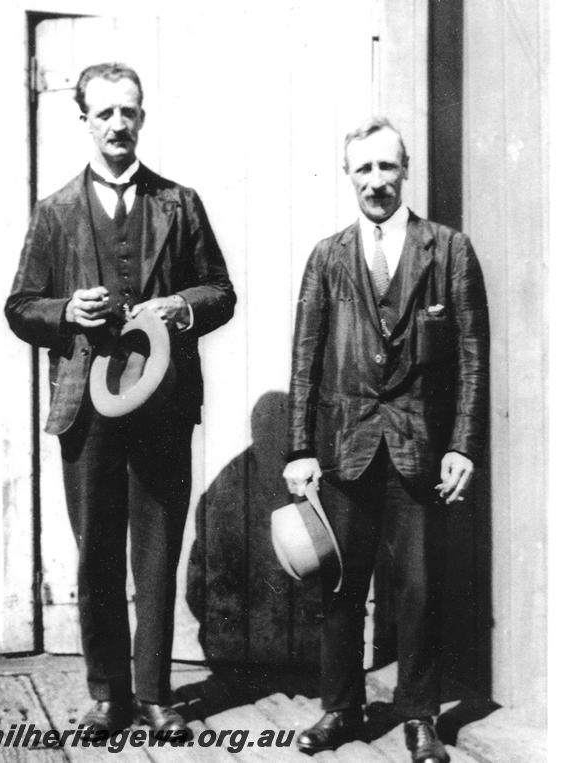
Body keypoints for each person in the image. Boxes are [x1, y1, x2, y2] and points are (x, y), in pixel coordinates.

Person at [5, 62, 235, 740]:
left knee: (158, 550)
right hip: (87, 407)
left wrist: (181, 307)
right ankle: (108, 695)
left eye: (128, 112)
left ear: (142, 118)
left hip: (162, 403)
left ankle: (157, 693)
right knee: (96, 551)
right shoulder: (54, 212)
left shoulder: (179, 203)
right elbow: (19, 307)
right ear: (83, 121)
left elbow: (220, 291)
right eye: (104, 113)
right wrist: (67, 309)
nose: (117, 125)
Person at [283, 117, 489, 762]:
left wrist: (461, 445)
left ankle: (420, 716)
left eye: (386, 167)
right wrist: (298, 449)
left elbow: (473, 359)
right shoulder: (328, 256)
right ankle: (340, 708)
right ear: (349, 175)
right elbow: (306, 358)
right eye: (363, 169)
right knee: (339, 586)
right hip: (345, 449)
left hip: (418, 450)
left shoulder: (448, 250)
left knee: (421, 588)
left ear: (406, 171)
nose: (376, 181)